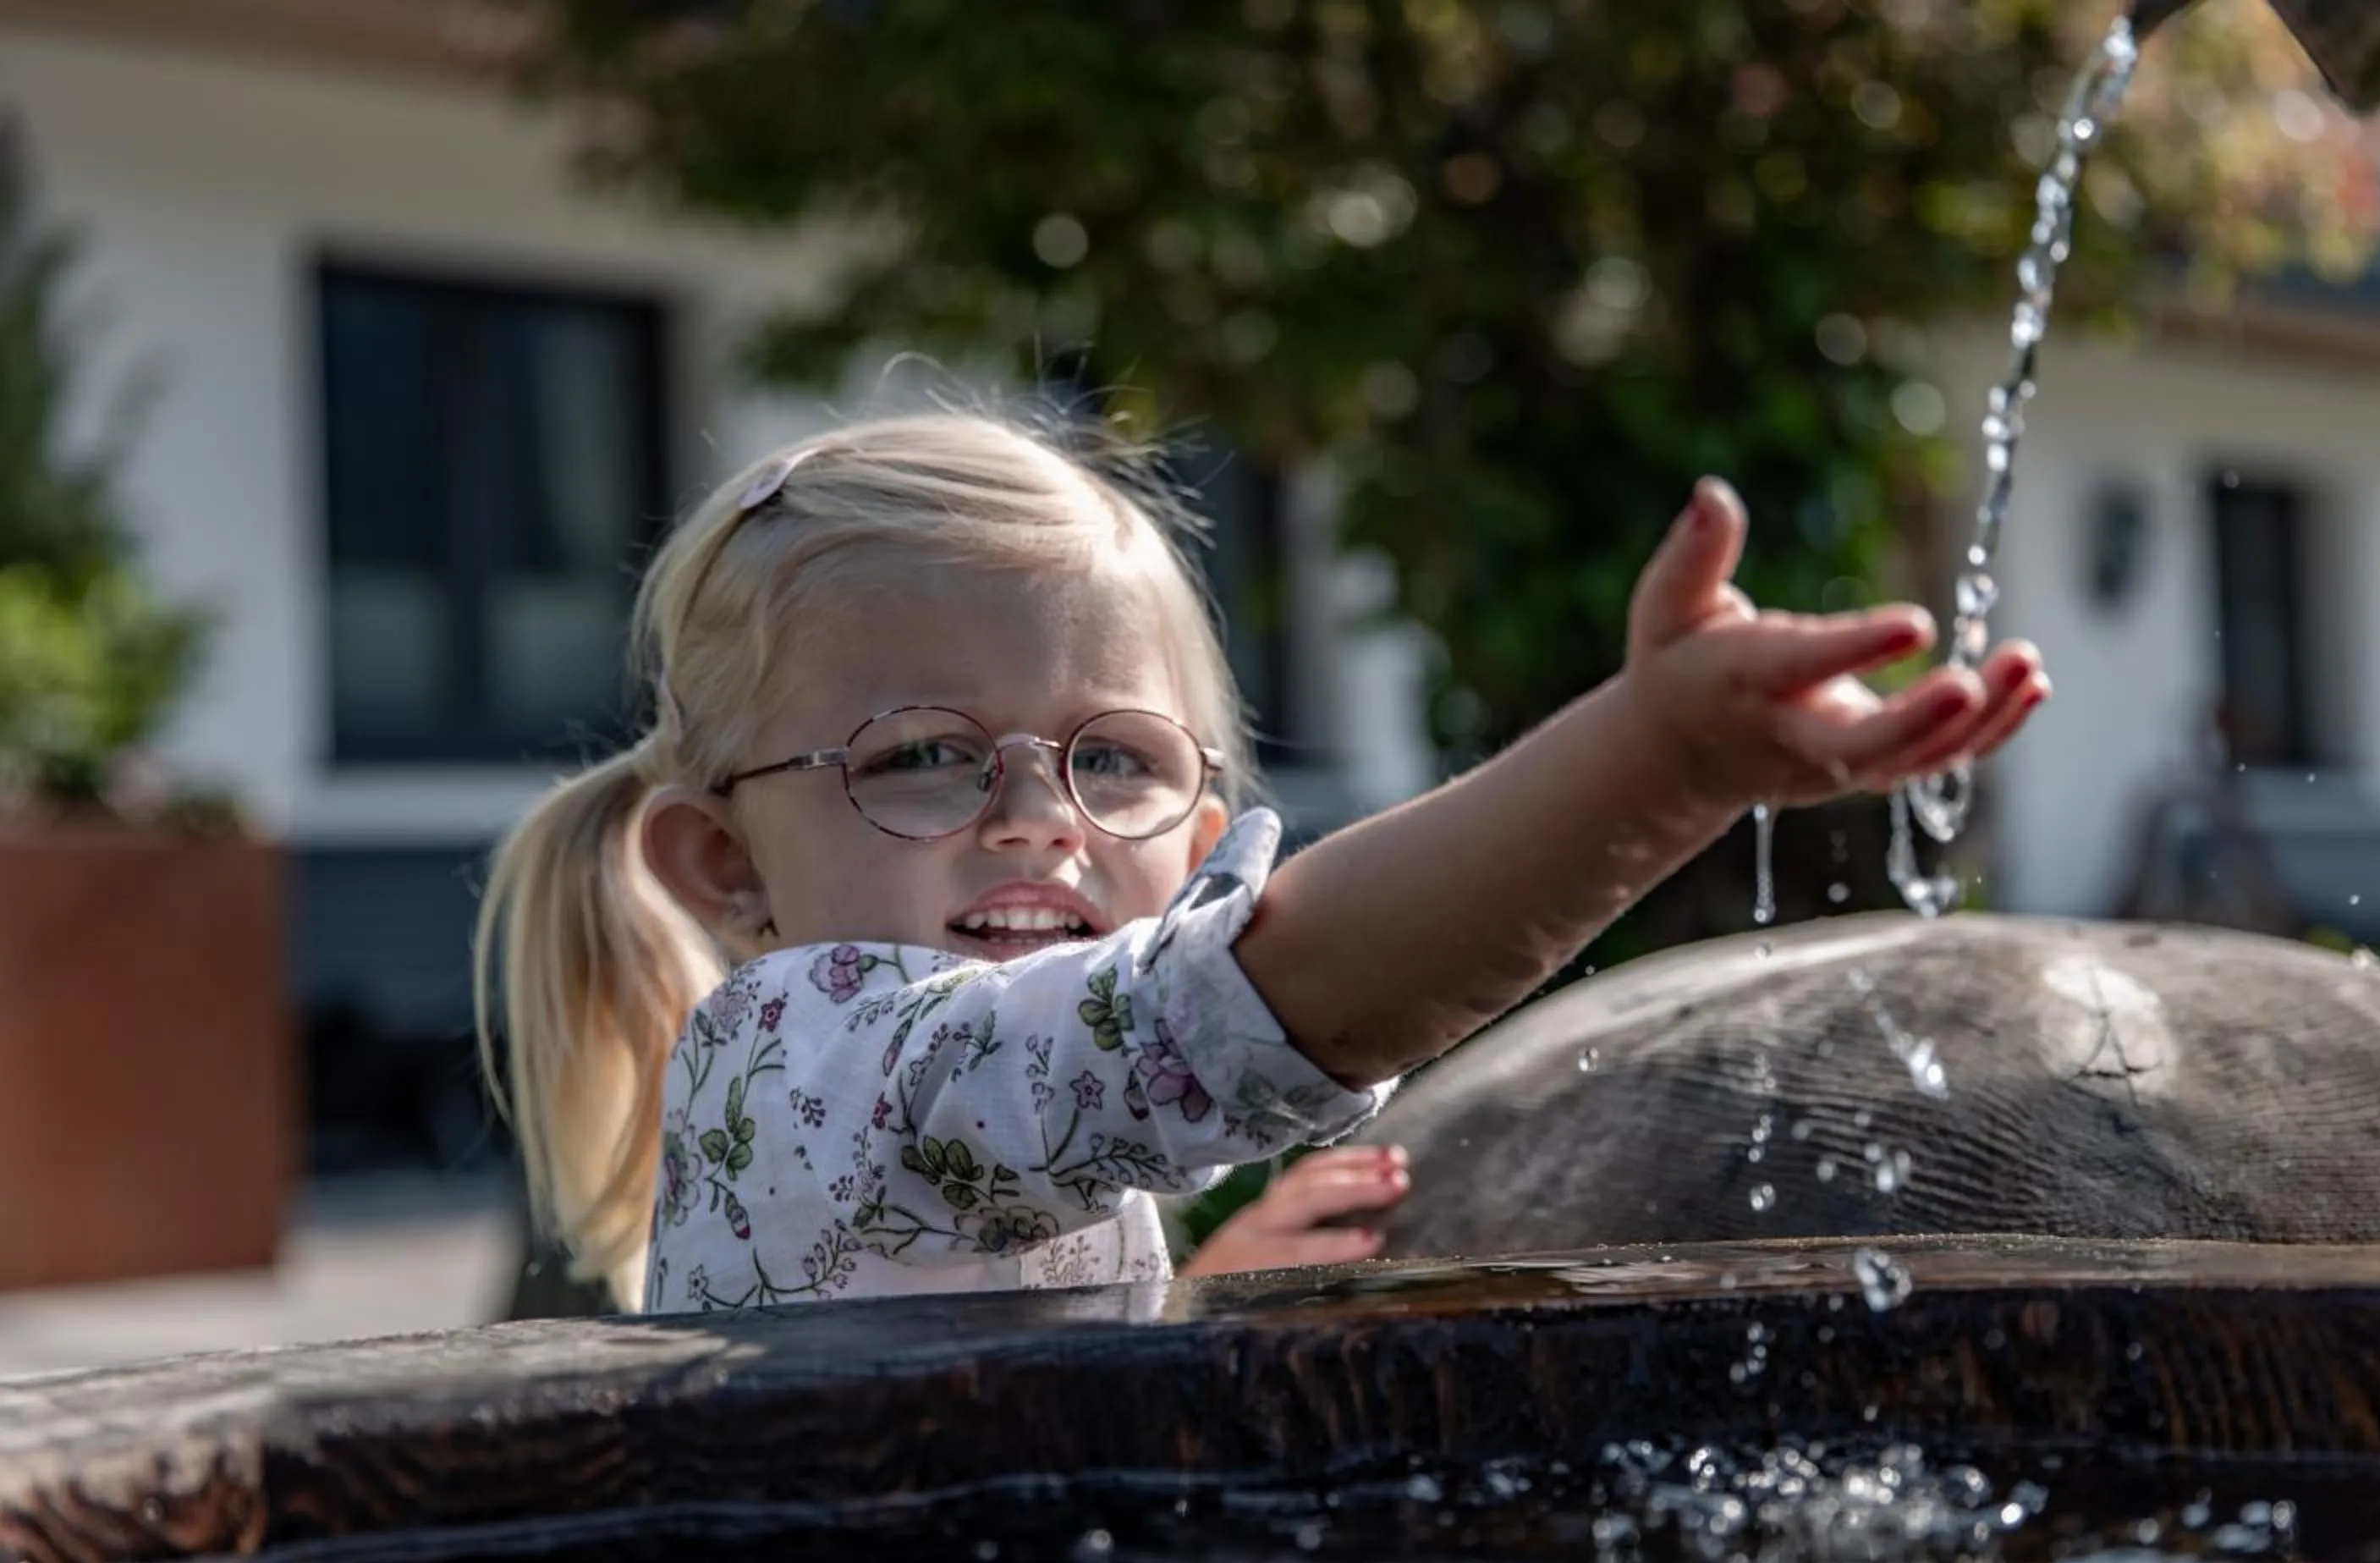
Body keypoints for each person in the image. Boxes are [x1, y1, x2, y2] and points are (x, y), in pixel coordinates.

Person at [475, 411, 2046, 1313]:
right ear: (720, 861)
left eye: (1116, 761)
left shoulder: (957, 1116)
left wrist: (1183, 1294)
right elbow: (1277, 996)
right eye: (922, 758)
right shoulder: (813, 1048)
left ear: (1207, 836)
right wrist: (1655, 765)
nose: (1039, 817)